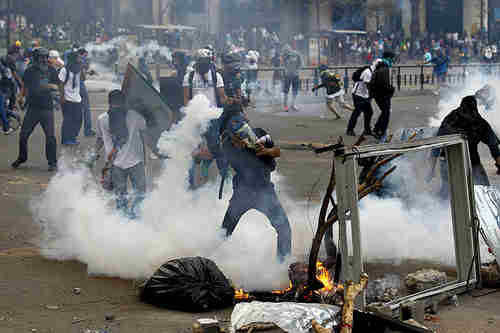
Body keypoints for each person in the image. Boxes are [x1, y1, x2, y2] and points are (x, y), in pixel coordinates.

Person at [220, 124, 291, 262]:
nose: (236, 141)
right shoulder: (228, 146)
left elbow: (275, 157)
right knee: (224, 232)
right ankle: (213, 261)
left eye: (239, 137)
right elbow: (245, 168)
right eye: (233, 138)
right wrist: (247, 148)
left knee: (284, 229)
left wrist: (264, 151)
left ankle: (283, 265)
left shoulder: (260, 133)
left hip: (265, 191)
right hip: (242, 194)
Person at [428, 96, 500, 199]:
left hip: (472, 161)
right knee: (448, 192)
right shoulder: (450, 121)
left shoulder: (480, 123)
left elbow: (494, 147)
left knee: (483, 190)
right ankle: (440, 211)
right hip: (450, 162)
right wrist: (431, 169)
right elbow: (436, 146)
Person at [94, 90, 147, 219]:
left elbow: (100, 139)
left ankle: (124, 223)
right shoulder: (134, 116)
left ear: (109, 103)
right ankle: (133, 219)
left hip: (118, 164)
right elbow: (145, 128)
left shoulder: (103, 119)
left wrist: (94, 153)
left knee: (121, 197)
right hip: (130, 163)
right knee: (139, 195)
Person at [11, 48, 59, 171]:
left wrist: (51, 87)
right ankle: (22, 157)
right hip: (32, 108)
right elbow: (24, 86)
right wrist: (20, 98)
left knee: (50, 137)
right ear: (35, 58)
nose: (42, 60)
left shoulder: (51, 70)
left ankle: (52, 163)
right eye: (40, 58)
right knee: (23, 135)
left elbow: (57, 85)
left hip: (47, 109)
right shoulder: (30, 71)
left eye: (44, 58)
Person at [58, 50, 83, 145]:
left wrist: (82, 68)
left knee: (78, 119)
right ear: (73, 59)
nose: (79, 59)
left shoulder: (78, 69)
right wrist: (62, 97)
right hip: (67, 99)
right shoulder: (65, 70)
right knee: (68, 120)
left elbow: (83, 79)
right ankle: (65, 139)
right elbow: (60, 84)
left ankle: (73, 137)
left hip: (77, 98)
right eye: (78, 58)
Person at [370, 50, 396, 139]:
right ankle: (380, 132)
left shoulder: (379, 67)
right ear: (389, 58)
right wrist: (392, 89)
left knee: (385, 112)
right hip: (382, 95)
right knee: (386, 113)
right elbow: (384, 83)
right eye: (393, 59)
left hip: (377, 94)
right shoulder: (384, 68)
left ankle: (377, 129)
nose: (393, 61)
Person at [346, 64, 373, 136]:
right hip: (358, 94)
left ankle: (367, 130)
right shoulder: (368, 72)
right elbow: (368, 85)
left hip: (364, 95)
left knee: (369, 112)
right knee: (357, 112)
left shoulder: (372, 71)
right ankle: (350, 130)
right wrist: (371, 97)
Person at [78, 48, 96, 137]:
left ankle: (73, 133)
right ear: (83, 53)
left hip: (73, 87)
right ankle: (87, 131)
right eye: (85, 54)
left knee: (75, 110)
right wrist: (86, 73)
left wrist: (89, 72)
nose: (86, 56)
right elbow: (82, 76)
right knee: (86, 109)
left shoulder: (73, 61)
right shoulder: (81, 61)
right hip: (80, 85)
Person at [282, 45, 302, 112]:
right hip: (288, 75)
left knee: (295, 91)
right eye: (285, 51)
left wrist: (297, 70)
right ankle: (285, 106)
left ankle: (293, 104)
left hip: (295, 75)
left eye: (286, 51)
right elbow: (284, 64)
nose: (286, 53)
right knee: (286, 91)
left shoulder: (297, 54)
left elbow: (300, 63)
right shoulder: (284, 56)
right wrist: (286, 70)